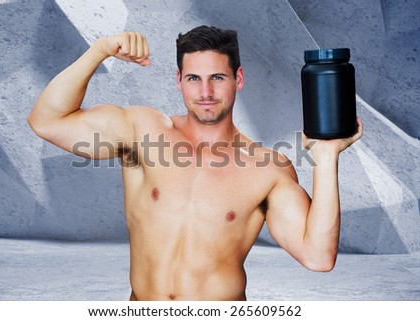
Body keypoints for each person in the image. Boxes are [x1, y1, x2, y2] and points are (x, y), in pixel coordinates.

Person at [28, 25, 363, 301]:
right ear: (178, 81)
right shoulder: (142, 132)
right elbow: (47, 121)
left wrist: (325, 157)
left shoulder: (267, 169)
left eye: (217, 77)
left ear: (239, 79)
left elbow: (318, 257)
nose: (205, 91)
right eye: (193, 79)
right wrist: (99, 50)